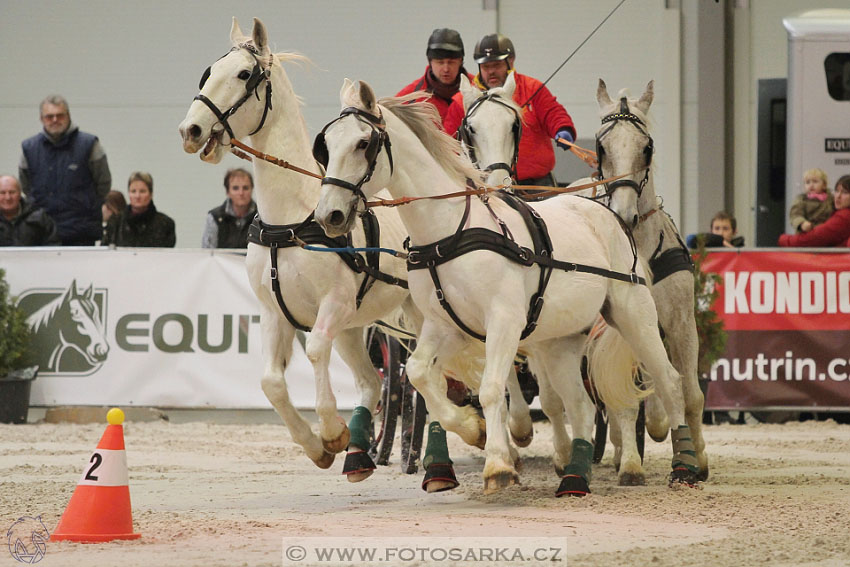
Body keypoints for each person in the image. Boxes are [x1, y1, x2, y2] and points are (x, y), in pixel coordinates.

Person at [469, 33, 577, 187]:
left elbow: (554, 113)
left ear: (510, 61)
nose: (491, 71)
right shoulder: (468, 99)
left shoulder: (532, 88)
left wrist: (563, 129)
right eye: (486, 67)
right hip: (489, 187)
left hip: (537, 186)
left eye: (497, 65)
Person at [19, 95, 111, 245]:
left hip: (81, 232)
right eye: (49, 116)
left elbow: (103, 183)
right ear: (41, 119)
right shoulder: (29, 148)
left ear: (68, 116)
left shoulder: (89, 144)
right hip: (41, 231)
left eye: (59, 115)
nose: (55, 120)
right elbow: (26, 186)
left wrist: (88, 204)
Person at [397, 28, 473, 133]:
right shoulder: (409, 98)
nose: (446, 69)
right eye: (440, 62)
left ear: (460, 61)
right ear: (430, 62)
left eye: (451, 62)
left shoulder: (478, 91)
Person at [103, 172, 176, 247]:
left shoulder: (165, 224)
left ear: (151, 194)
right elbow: (106, 252)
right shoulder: (116, 222)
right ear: (129, 193)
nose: (137, 196)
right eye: (133, 191)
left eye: (142, 191)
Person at [779, 175, 850, 247]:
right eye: (837, 191)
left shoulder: (845, 216)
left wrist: (785, 240)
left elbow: (814, 239)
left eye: (845, 192)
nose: (838, 196)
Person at [201, 168, 257, 248]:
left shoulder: (261, 218)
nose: (241, 193)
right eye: (235, 188)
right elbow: (209, 254)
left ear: (252, 189)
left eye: (245, 188)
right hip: (220, 260)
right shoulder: (215, 217)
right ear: (227, 192)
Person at [0, 175, 60, 246]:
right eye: (2, 193)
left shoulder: (39, 218)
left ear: (19, 194)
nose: (8, 197)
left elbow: (53, 246)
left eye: (12, 192)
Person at [789, 168, 833, 233]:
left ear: (824, 185)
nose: (811, 185)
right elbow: (795, 215)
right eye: (807, 182)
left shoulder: (830, 198)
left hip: (825, 233)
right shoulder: (801, 199)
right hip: (807, 232)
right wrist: (802, 223)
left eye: (815, 181)